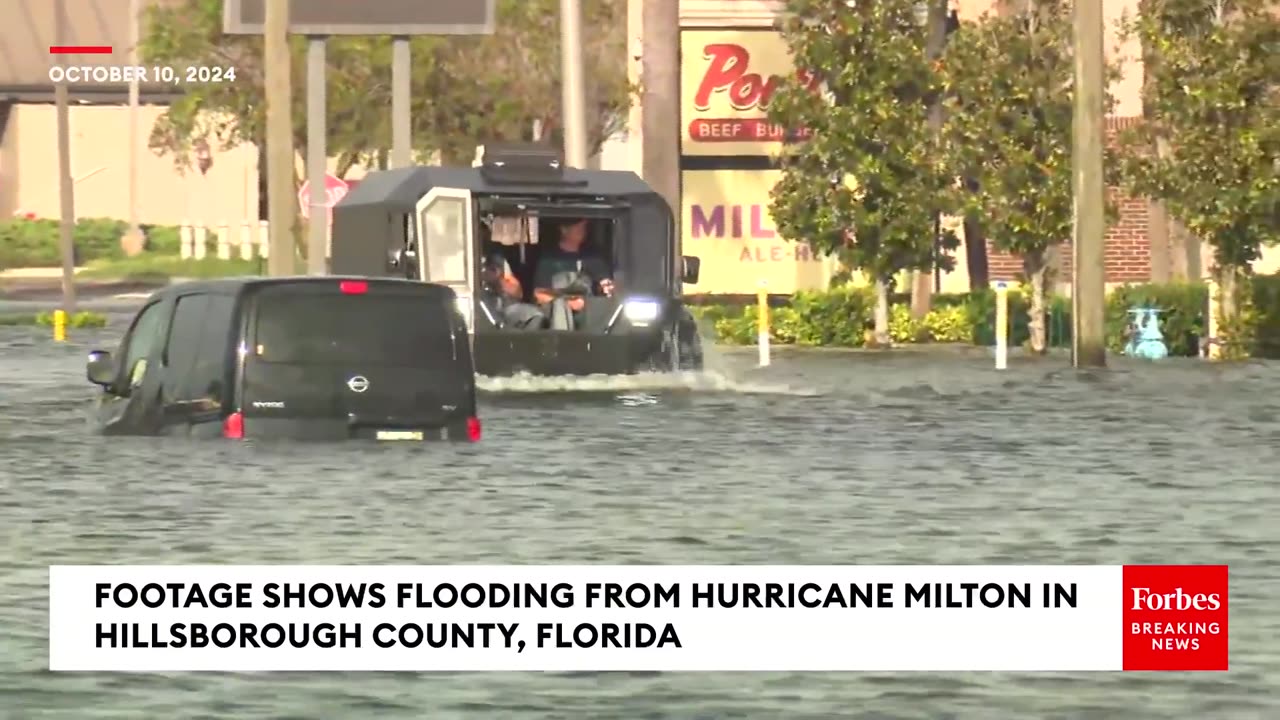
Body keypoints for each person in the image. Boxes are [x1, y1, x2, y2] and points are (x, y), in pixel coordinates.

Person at [533, 219, 615, 315]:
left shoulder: (593, 257)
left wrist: (606, 287)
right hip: (558, 318)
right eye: (577, 226)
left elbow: (606, 284)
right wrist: (566, 304)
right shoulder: (549, 260)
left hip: (591, 316)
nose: (582, 230)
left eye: (583, 227)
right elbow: (539, 295)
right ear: (563, 229)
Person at [481, 252, 544, 330]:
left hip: (508, 310)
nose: (485, 271)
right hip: (489, 314)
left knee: (535, 314)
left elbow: (516, 292)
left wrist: (499, 281)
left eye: (492, 269)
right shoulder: (481, 286)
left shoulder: (508, 280)